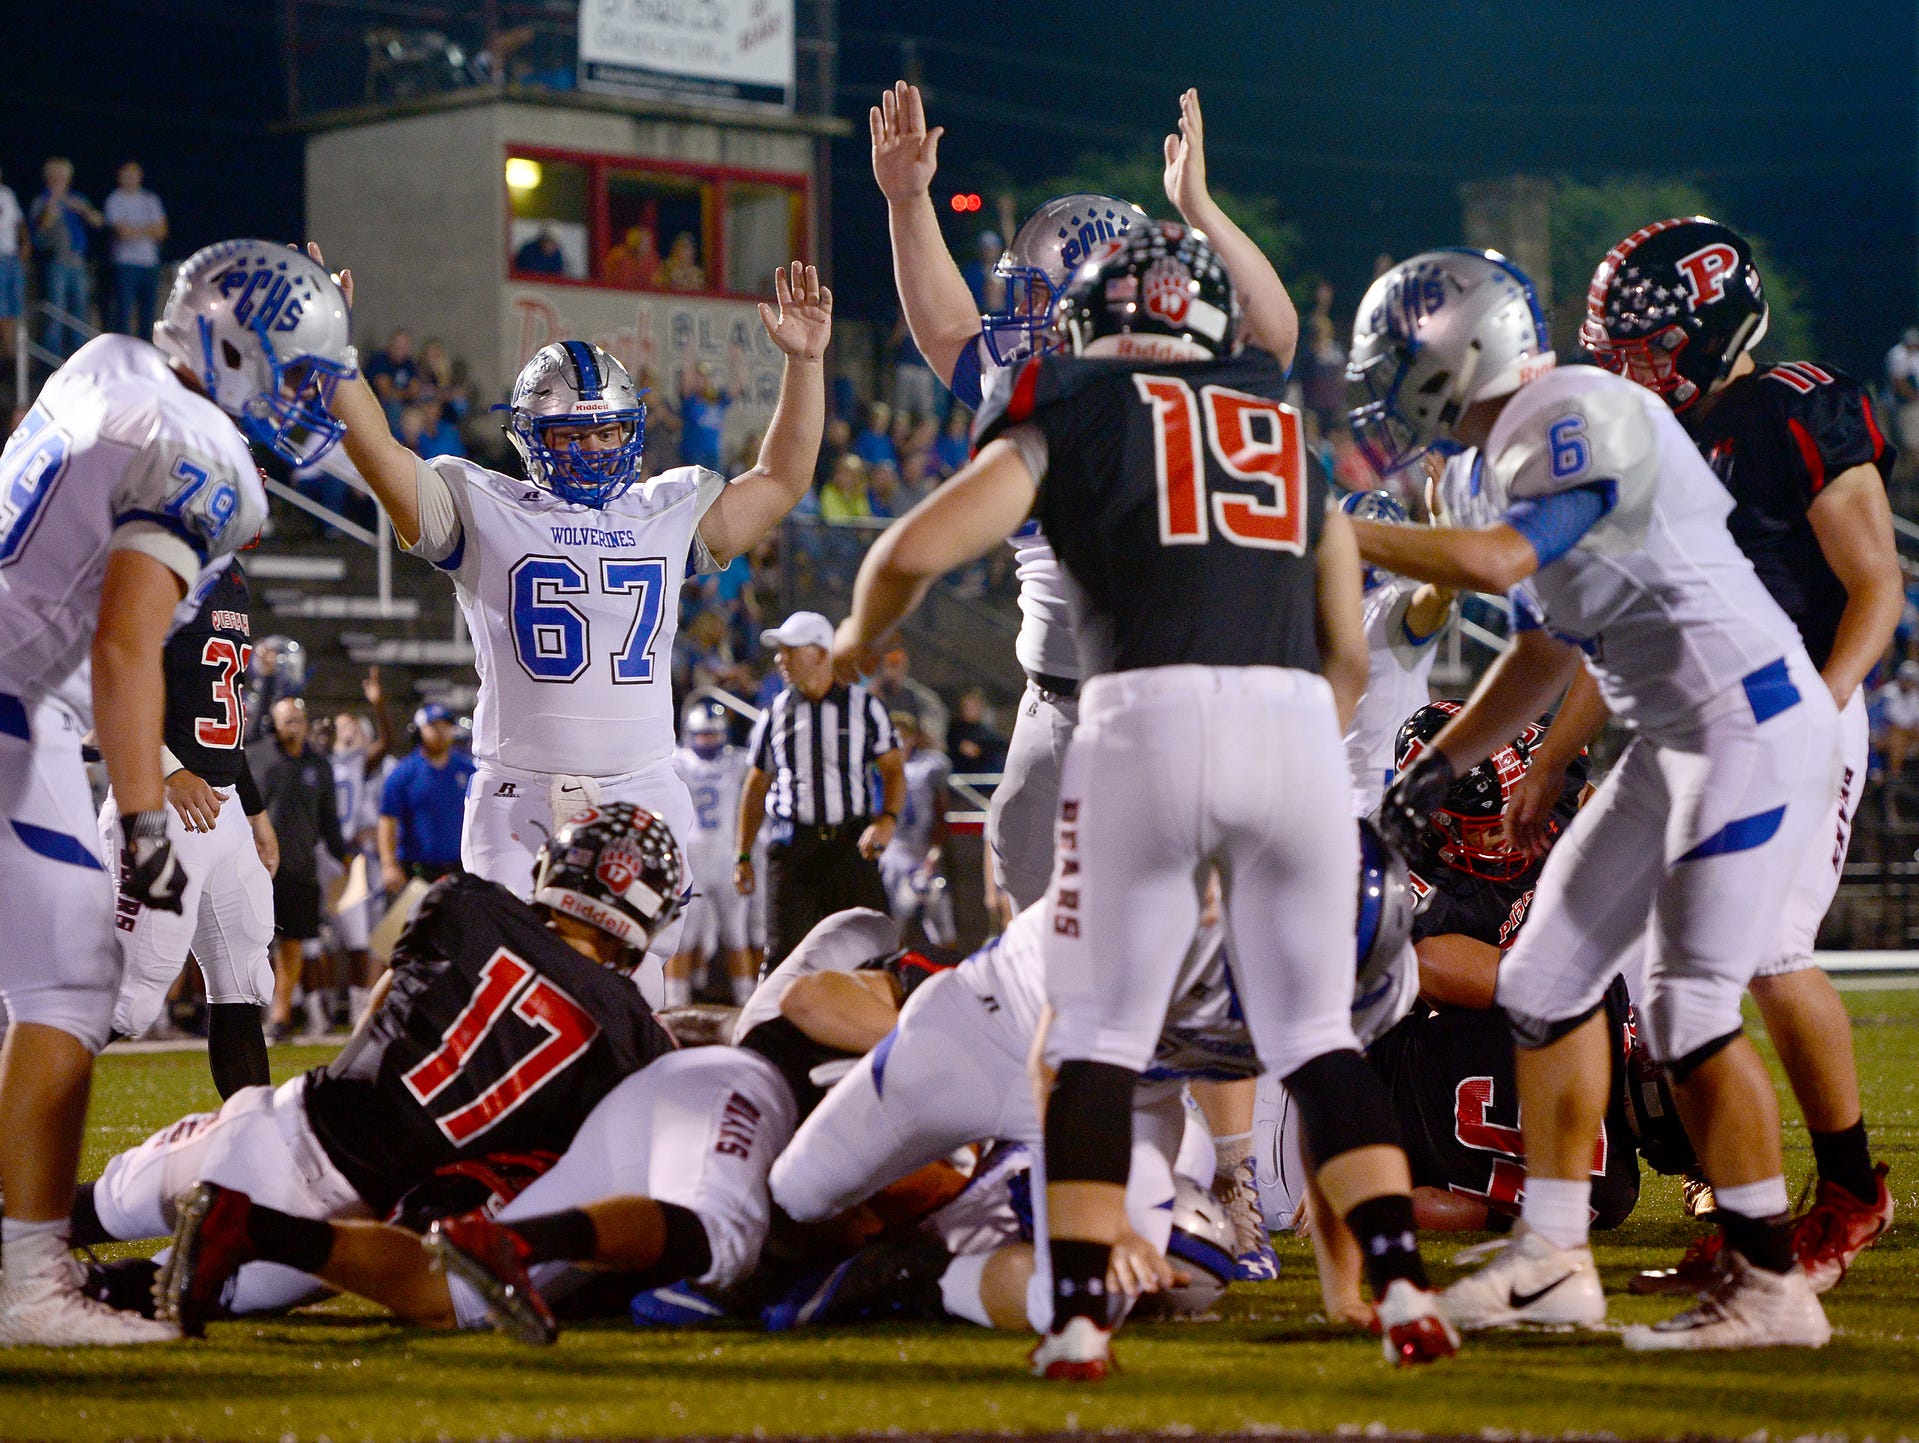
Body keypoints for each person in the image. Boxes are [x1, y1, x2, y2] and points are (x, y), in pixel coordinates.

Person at [834, 224, 1454, 1377]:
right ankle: (1403, 1289)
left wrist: (855, 644)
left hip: (1139, 719)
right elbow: (1344, 657)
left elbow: (913, 548)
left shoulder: (1069, 403)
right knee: (1315, 1039)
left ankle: (1073, 1319)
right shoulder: (1284, 430)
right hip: (1288, 728)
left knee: (1092, 1040)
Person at [1347, 247, 1836, 1350]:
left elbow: (1503, 557)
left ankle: (1769, 1286)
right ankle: (1552, 1259)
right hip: (1676, 734)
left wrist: (1337, 532)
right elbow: (1540, 641)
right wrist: (1437, 768)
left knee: (1686, 1006)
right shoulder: (1493, 456)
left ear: (1457, 351)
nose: (1384, 377)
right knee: (1542, 977)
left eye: (1399, 354)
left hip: (1746, 728)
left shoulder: (1573, 407)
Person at [308, 242, 830, 1000]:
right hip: (519, 794)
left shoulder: (664, 509)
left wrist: (804, 365)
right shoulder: (483, 507)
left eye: (606, 431)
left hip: (645, 786)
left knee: (635, 996)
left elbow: (782, 478)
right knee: (512, 995)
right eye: (571, 435)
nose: (593, 448)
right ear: (529, 438)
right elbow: (381, 453)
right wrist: (339, 359)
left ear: (631, 430)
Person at [0, 236, 341, 1345]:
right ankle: (26, 1283)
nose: (300, 396)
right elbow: (122, 646)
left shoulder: (100, 359)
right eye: (289, 366)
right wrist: (145, 813)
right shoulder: (204, 453)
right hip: (22, 706)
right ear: (230, 345)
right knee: (67, 990)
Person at [1562, 217, 1901, 1296]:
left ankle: (1847, 1192)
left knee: (1764, 954)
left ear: (1712, 326)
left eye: (1650, 340)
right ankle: (1739, 1209)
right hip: (1695, 727)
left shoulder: (1790, 407)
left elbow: (1874, 586)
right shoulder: (1648, 444)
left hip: (1793, 708)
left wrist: (1819, 705)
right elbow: (1598, 625)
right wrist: (1551, 756)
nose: (1629, 363)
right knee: (1658, 973)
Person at [873, 82, 1299, 920]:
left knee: (1181, 931)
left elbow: (1276, 333)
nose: (1024, 316)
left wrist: (1197, 207)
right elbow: (945, 332)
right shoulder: (1048, 388)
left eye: (1042, 297)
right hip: (1055, 699)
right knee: (1035, 911)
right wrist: (908, 200)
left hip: (1172, 707)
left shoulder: (1189, 389)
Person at [158, 906, 941, 1345]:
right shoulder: (948, 1008)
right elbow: (811, 997)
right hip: (736, 1092)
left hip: (670, 1124)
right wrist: (937, 1052)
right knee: (721, 1240)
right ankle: (523, 1242)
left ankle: (248, 1226)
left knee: (450, 1300)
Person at [769, 836, 1417, 1337]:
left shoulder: (1378, 984)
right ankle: (976, 1203)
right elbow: (1061, 1070)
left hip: (1132, 1099)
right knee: (798, 1195)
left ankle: (918, 1276)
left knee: (1088, 1294)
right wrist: (1106, 1218)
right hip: (982, 1036)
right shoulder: (1167, 913)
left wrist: (1344, 1295)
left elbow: (1330, 1122)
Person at [74, 805, 682, 1335]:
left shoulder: (464, 899)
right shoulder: (632, 1038)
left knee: (86, 1208)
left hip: (280, 1122)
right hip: (355, 1217)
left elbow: (385, 997)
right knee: (131, 1293)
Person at [101, 559, 278, 1097]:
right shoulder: (159, 561)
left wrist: (254, 809)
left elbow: (225, 718)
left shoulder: (233, 576)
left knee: (247, 982)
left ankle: (252, 1155)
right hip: (159, 803)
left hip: (221, 810)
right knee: (132, 998)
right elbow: (105, 676)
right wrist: (168, 766)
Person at [736, 612, 904, 972]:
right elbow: (756, 785)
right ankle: (771, 1028)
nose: (781, 659)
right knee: (783, 957)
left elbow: (893, 769)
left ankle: (879, 1028)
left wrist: (887, 821)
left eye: (790, 650)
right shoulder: (775, 713)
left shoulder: (864, 707)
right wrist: (743, 855)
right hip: (794, 848)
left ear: (819, 654)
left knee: (874, 952)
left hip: (850, 846)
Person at [1336, 490, 1455, 816]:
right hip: (1332, 779)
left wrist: (1440, 517)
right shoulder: (1334, 608)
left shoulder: (1395, 603)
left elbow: (1445, 589)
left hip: (1381, 786)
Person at [249, 698, 352, 1041]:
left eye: (298, 720)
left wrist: (344, 855)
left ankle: (280, 1015)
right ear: (274, 724)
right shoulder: (259, 757)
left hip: (298, 866)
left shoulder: (318, 766)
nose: (293, 727)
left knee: (292, 942)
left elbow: (328, 819)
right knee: (252, 941)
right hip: (255, 865)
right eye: (287, 721)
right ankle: (243, 1011)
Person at [668, 700, 756, 1006]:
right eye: (702, 734)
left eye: (714, 734)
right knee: (684, 935)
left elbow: (764, 760)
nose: (709, 741)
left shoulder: (735, 761)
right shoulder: (679, 761)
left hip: (726, 858)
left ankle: (747, 1002)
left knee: (736, 934)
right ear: (689, 734)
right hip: (692, 859)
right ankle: (676, 1003)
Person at [328, 670, 394, 1024]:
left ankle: (363, 1006)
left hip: (360, 857)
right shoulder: (323, 762)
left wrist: (380, 706)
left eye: (352, 726)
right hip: (333, 855)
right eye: (343, 728)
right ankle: (332, 1006)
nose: (349, 731)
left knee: (372, 936)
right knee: (343, 938)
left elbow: (385, 743)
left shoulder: (359, 763)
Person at [378, 703, 477, 894]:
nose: (440, 732)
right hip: (418, 870)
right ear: (419, 731)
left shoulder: (467, 770)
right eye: (433, 726)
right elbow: (388, 820)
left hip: (460, 868)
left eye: (445, 726)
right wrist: (389, 865)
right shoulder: (404, 773)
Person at [879, 712, 955, 947]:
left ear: (913, 738)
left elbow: (940, 813)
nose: (900, 742)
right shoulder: (878, 767)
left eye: (904, 736)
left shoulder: (929, 765)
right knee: (893, 920)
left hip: (923, 850)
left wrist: (935, 850)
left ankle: (948, 970)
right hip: (892, 850)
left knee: (941, 917)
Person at [29, 158, 103, 358]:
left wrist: (83, 209)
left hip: (78, 262)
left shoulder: (77, 199)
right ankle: (52, 357)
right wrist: (53, 203)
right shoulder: (41, 200)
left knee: (80, 308)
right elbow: (40, 230)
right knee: (56, 310)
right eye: (56, 175)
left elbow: (98, 222)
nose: (60, 179)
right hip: (56, 262)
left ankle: (80, 355)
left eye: (63, 175)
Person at [103, 161, 167, 340]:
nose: (130, 177)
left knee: (149, 315)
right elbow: (122, 233)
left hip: (149, 264)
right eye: (126, 174)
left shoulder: (150, 199)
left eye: (134, 173)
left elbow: (162, 231)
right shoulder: (114, 199)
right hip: (125, 264)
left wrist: (135, 230)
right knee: (123, 313)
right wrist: (148, 230)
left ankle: (146, 352)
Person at [362, 328, 420, 419]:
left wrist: (402, 394)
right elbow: (385, 391)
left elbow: (415, 390)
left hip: (405, 406)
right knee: (394, 406)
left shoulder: (409, 364)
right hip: (376, 403)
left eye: (404, 344)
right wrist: (406, 394)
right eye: (398, 343)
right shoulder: (379, 360)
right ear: (391, 343)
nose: (401, 348)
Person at [0, 164, 26, 364]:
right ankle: (8, 354)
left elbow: (18, 221)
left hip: (10, 256)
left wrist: (25, 242)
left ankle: (12, 356)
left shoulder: (6, 193)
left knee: (14, 307)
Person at [1875, 658, 1919, 771]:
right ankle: (1894, 776)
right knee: (1897, 737)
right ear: (1900, 677)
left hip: (1905, 733)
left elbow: (1915, 719)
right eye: (1906, 679)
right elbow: (1896, 720)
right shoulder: (1888, 692)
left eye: (1911, 680)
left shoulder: (1914, 694)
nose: (1908, 682)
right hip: (1880, 733)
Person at [603, 225, 660, 289]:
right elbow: (607, 277)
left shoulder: (652, 258)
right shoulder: (618, 255)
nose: (647, 246)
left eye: (648, 242)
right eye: (643, 242)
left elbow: (655, 282)